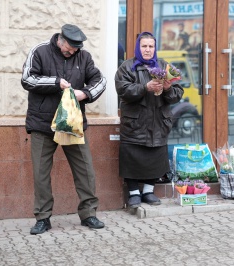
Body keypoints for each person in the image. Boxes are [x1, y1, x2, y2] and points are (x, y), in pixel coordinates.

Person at [21, 24, 107, 234]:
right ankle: (43, 218)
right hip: (42, 124)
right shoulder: (39, 51)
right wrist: (56, 82)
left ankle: (88, 214)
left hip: (72, 124)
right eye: (70, 47)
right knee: (41, 173)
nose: (73, 51)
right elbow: (27, 79)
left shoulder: (84, 57)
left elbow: (101, 81)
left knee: (85, 170)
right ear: (60, 40)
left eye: (76, 48)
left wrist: (85, 93)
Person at [114, 32, 184, 208]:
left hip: (158, 121)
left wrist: (168, 89)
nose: (147, 50)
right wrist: (145, 87)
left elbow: (177, 95)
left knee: (155, 156)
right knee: (132, 156)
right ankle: (133, 192)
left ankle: (148, 191)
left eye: (151, 46)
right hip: (135, 122)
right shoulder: (127, 67)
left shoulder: (165, 67)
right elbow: (123, 90)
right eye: (144, 46)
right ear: (138, 47)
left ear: (155, 48)